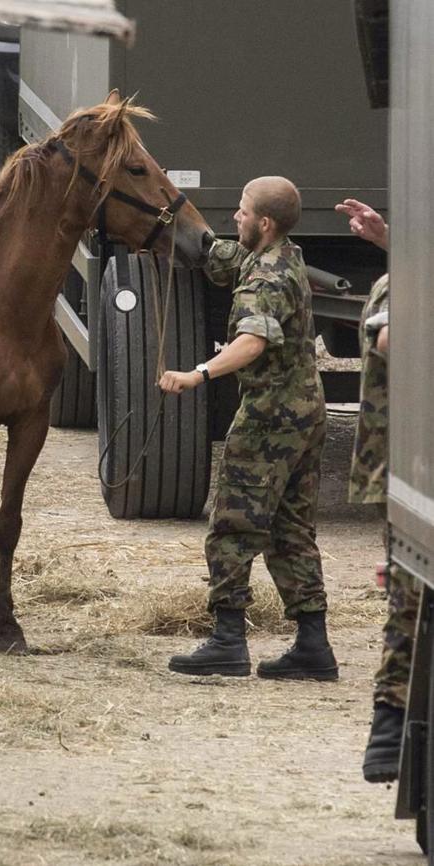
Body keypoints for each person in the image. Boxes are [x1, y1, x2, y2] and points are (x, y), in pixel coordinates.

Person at [160, 176, 336, 680]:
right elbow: (225, 258)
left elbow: (252, 342)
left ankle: (228, 640)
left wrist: (198, 374)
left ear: (264, 222)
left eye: (240, 212)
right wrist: (174, 228)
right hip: (306, 414)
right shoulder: (284, 256)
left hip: (269, 420)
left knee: (233, 526)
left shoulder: (264, 282)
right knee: (291, 530)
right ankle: (313, 647)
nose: (233, 217)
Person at [336, 198, 414, 784]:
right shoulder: (400, 284)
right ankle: (389, 722)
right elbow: (389, 343)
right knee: (412, 601)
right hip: (416, 469)